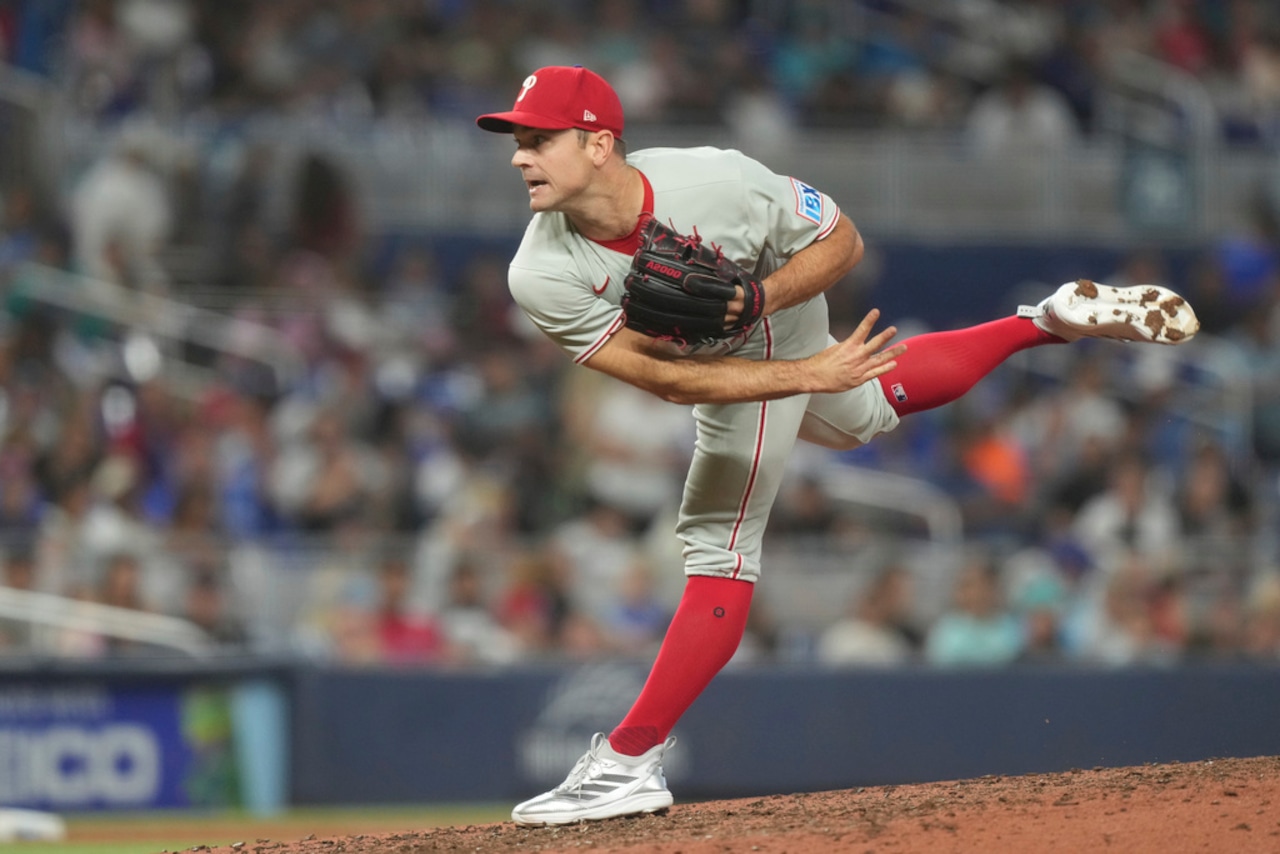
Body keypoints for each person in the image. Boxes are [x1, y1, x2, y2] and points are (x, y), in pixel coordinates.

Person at [474, 65, 1200, 827]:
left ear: (598, 143)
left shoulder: (714, 180)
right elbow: (668, 382)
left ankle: (628, 760)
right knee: (858, 413)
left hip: (770, 303)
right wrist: (810, 374)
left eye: (537, 139)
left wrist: (761, 304)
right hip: (709, 359)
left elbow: (840, 239)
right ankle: (1044, 322)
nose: (519, 156)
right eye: (517, 140)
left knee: (717, 546)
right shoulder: (540, 269)